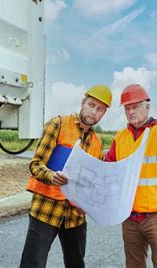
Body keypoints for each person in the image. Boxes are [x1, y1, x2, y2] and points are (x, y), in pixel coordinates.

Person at [20, 85, 112, 268]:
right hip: (46, 209)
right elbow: (36, 164)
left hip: (75, 216)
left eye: (100, 109)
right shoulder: (58, 124)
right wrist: (52, 176)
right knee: (33, 263)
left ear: (104, 114)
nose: (94, 112)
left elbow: (93, 182)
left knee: (76, 263)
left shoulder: (97, 143)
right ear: (83, 102)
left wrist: (91, 203)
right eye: (91, 105)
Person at [104, 68, 157, 268]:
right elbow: (107, 170)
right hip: (130, 218)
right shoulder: (120, 138)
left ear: (147, 107)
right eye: (127, 108)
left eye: (135, 107)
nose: (131, 112)